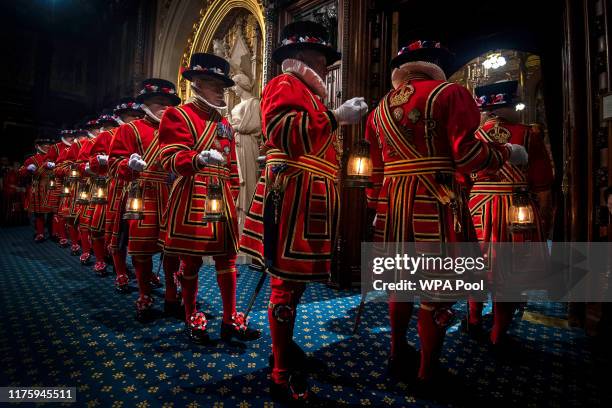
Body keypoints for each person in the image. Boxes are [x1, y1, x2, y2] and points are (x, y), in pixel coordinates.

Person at [364, 40, 528, 386]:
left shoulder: (379, 108)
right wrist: (506, 154)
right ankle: (427, 370)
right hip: (434, 200)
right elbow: (467, 156)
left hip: (393, 204)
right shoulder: (449, 94)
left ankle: (396, 353)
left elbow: (374, 170)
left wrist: (376, 206)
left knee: (400, 283)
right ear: (436, 64)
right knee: (436, 288)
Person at [240, 21, 368, 401]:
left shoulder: (308, 93)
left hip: (305, 197)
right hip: (290, 195)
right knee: (284, 284)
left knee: (293, 287)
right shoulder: (285, 85)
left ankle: (285, 349)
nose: (327, 67)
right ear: (304, 58)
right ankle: (280, 373)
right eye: (323, 59)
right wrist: (335, 117)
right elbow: (285, 134)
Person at [159, 54, 261, 344]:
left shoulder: (224, 122)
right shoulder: (177, 115)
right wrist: (197, 159)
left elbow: (229, 163)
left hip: (220, 195)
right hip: (191, 192)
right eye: (215, 84)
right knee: (190, 262)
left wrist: (233, 189)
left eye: (223, 86)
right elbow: (171, 157)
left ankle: (229, 319)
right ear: (198, 84)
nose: (221, 90)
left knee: (226, 259)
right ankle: (191, 314)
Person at [465, 80, 554, 349]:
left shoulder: (475, 136)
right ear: (510, 105)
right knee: (510, 271)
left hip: (477, 206)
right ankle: (498, 334)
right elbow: (542, 184)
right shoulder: (529, 134)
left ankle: (473, 321)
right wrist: (545, 218)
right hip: (517, 209)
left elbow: (463, 177)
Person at [108, 79, 181, 321]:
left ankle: (172, 295)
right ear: (145, 104)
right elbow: (113, 163)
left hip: (171, 192)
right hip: (141, 192)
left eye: (169, 103)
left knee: (172, 249)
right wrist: (128, 165)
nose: (165, 107)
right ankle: (144, 295)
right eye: (160, 102)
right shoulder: (129, 130)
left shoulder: (174, 130)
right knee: (141, 249)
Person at [103, 98, 145, 291]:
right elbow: (103, 162)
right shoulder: (112, 134)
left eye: (138, 115)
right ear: (121, 117)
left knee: (141, 235)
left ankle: (143, 272)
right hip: (120, 187)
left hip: (142, 187)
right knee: (120, 231)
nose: (136, 119)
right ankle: (120, 271)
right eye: (132, 116)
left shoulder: (143, 130)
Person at [86, 113, 120, 275]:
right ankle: (100, 259)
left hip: (126, 187)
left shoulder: (135, 131)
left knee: (122, 231)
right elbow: (91, 161)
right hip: (104, 186)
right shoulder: (105, 136)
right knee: (98, 224)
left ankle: (123, 268)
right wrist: (100, 160)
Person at [228, 73, 262, 233]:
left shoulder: (254, 103)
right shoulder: (234, 107)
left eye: (235, 85)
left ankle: (248, 227)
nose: (233, 89)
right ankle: (237, 225)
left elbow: (255, 125)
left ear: (242, 84)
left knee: (248, 181)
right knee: (237, 181)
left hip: (248, 145)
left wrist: (236, 127)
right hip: (236, 145)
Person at [19, 136, 55, 242]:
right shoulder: (31, 159)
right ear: (37, 146)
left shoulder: (53, 158)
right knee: (39, 213)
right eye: (45, 145)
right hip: (39, 188)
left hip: (53, 187)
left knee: (53, 212)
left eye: (49, 145)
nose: (48, 146)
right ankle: (40, 233)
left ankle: (53, 233)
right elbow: (21, 172)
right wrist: (27, 169)